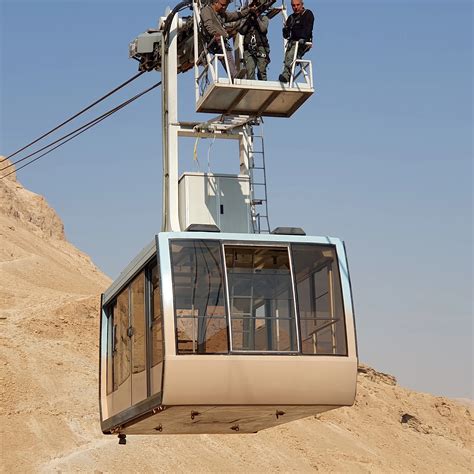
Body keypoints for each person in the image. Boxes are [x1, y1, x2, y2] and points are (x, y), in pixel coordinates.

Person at [201, 0, 252, 79]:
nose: (224, 7)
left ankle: (233, 75)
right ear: (215, 2)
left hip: (221, 40)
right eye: (223, 5)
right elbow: (208, 25)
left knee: (228, 56)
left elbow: (235, 15)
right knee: (226, 55)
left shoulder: (221, 14)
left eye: (226, 5)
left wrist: (248, 10)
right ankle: (234, 75)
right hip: (214, 41)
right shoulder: (206, 11)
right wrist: (215, 34)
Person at [278, 0, 314, 83]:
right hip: (293, 42)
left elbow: (308, 28)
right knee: (287, 57)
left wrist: (303, 38)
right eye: (293, 5)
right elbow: (286, 36)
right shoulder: (291, 18)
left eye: (298, 5)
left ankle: (286, 75)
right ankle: (287, 74)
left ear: (302, 4)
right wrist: (285, 29)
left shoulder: (307, 14)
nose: (296, 7)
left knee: (291, 55)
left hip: (303, 42)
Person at [239, 10, 270, 80]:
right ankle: (251, 90)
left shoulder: (264, 18)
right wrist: (248, 20)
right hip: (248, 49)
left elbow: (263, 29)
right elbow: (241, 31)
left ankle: (263, 88)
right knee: (249, 72)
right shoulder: (246, 19)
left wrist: (257, 18)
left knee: (261, 72)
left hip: (261, 47)